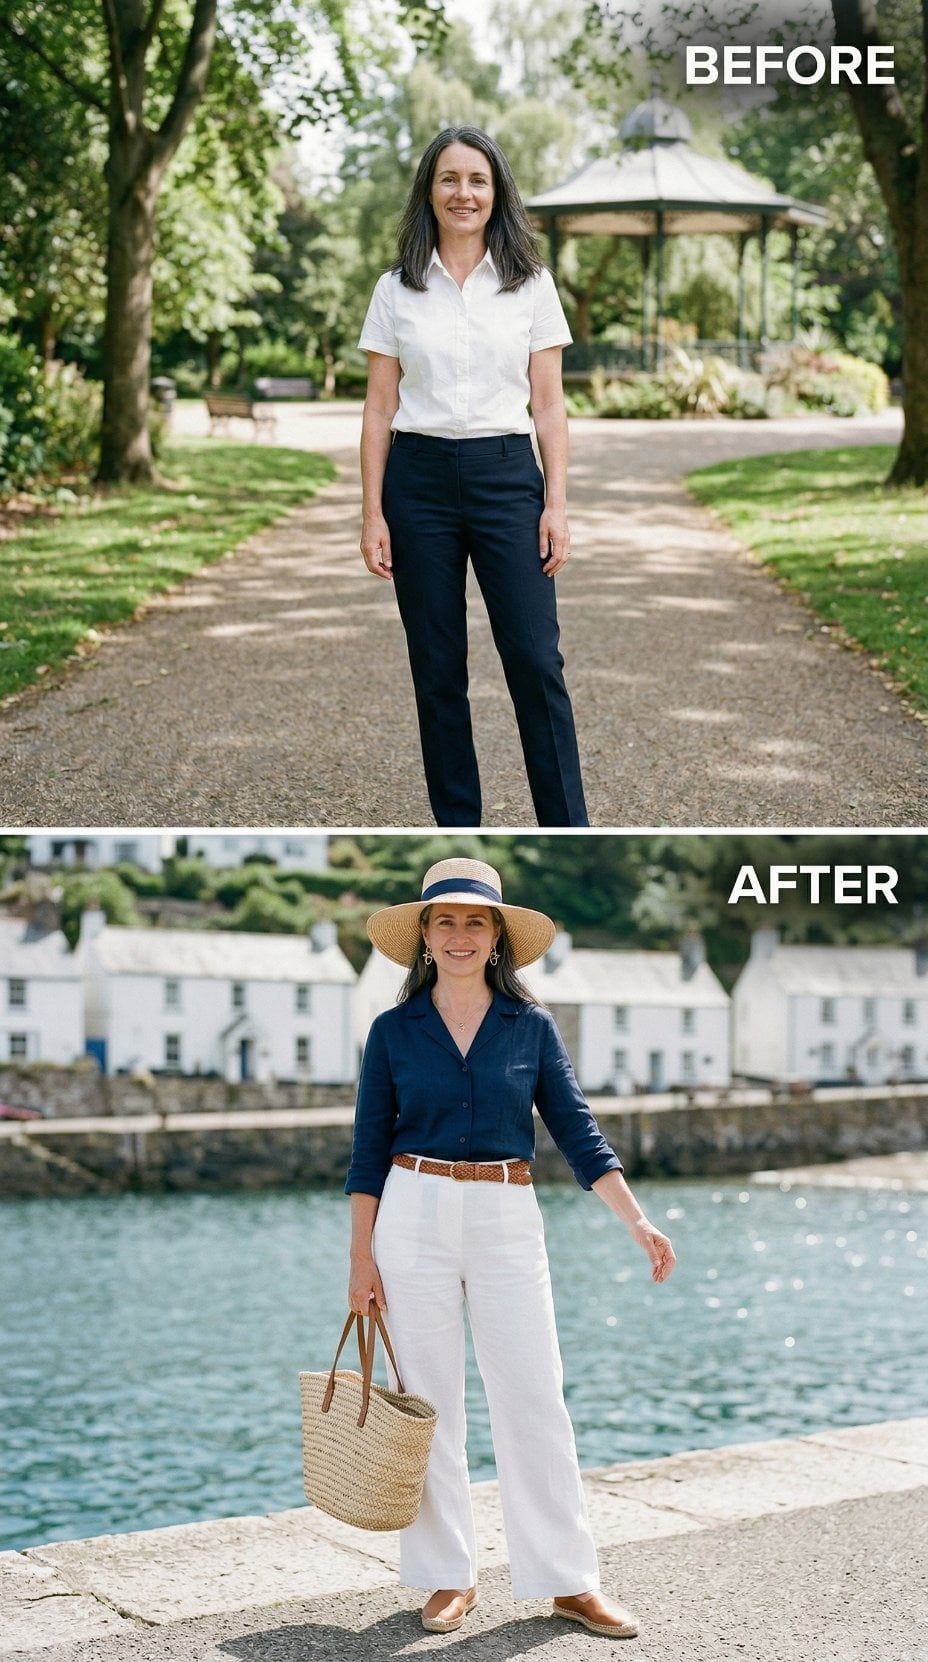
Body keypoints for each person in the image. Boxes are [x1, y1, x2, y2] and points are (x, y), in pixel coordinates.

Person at [345, 857, 677, 1639]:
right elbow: (365, 1155)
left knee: (534, 1396)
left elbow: (578, 1133)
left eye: (476, 921)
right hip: (410, 1210)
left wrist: (637, 1220)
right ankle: (445, 1576)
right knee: (426, 1402)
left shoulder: (529, 1026)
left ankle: (568, 1581)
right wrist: (360, 1261)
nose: (460, 935)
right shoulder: (393, 1032)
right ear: (424, 936)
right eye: (445, 921)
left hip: (506, 1210)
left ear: (497, 937)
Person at [357, 126, 589, 829]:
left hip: (505, 476)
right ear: (430, 190)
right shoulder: (396, 288)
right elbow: (378, 406)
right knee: (438, 670)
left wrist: (557, 505)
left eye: (478, 180)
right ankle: (460, 827)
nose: (464, 193)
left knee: (534, 661)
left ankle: (568, 824)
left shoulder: (531, 285)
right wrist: (371, 512)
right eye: (450, 179)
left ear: (497, 193)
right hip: (417, 481)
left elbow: (548, 406)